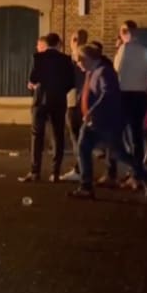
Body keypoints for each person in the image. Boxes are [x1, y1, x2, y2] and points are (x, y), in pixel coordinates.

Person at [70, 44, 147, 199]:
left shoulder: (104, 72)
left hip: (105, 122)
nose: (77, 64)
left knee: (119, 153)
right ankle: (86, 186)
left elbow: (108, 94)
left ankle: (144, 175)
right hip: (93, 122)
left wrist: (92, 111)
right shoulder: (94, 72)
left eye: (79, 61)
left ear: (86, 59)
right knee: (83, 148)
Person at [22, 33, 74, 182]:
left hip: (41, 100)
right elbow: (71, 82)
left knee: (37, 135)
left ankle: (35, 171)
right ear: (58, 44)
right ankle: (55, 172)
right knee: (58, 135)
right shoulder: (65, 59)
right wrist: (60, 90)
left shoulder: (38, 58)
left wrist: (34, 84)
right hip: (58, 101)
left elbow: (33, 78)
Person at [109, 20, 147, 184]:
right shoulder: (143, 50)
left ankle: (124, 171)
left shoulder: (124, 49)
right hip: (141, 95)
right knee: (137, 136)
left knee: (116, 136)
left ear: (123, 32)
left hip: (124, 95)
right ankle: (137, 171)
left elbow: (116, 71)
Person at [59, 30, 89, 182]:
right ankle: (81, 168)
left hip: (75, 103)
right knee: (79, 138)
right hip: (80, 102)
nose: (73, 43)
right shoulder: (86, 60)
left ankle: (80, 170)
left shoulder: (76, 60)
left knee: (77, 138)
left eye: (75, 40)